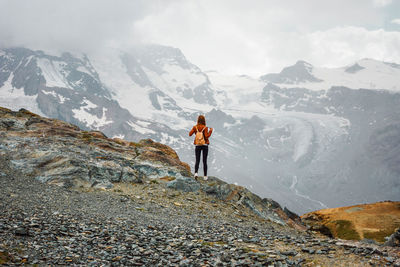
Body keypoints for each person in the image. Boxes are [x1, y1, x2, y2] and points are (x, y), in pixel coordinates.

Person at [189, 115, 213, 180]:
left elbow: (190, 134)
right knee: (204, 161)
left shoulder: (195, 127)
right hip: (204, 145)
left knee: (197, 160)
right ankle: (205, 176)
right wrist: (210, 131)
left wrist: (195, 132)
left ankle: (196, 173)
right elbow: (206, 136)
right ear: (204, 120)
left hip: (198, 145)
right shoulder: (205, 128)